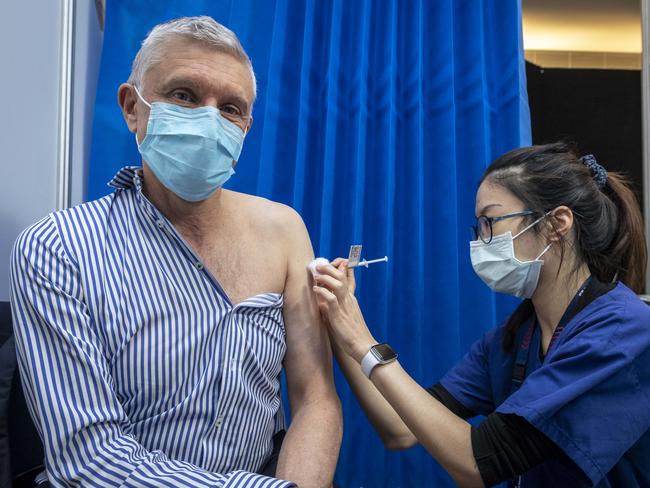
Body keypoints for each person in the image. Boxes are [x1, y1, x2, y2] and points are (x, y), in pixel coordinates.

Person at [10, 16, 341, 488]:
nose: (208, 120)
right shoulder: (58, 249)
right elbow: (91, 459)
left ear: (246, 126)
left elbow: (315, 398)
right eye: (184, 96)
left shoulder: (283, 229)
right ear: (132, 108)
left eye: (230, 108)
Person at [312, 143, 650, 487]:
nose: (480, 242)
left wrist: (361, 340)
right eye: (478, 227)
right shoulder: (514, 338)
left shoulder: (623, 331)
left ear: (556, 224)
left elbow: (477, 461)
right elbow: (399, 429)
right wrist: (340, 322)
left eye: (490, 222)